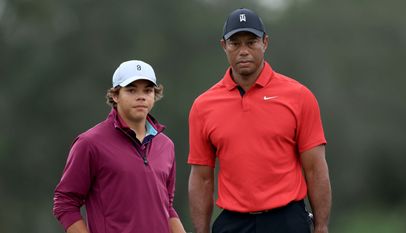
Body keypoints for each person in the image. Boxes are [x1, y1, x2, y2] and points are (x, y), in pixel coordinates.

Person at [188, 8, 331, 233]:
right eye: (235, 43)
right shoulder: (203, 106)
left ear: (265, 42)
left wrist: (321, 227)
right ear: (224, 46)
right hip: (233, 223)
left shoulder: (299, 96)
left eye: (251, 42)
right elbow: (201, 178)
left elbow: (315, 168)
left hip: (286, 220)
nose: (243, 51)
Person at [53, 60, 186, 233]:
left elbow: (166, 206)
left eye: (148, 90)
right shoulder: (90, 143)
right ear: (115, 95)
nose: (141, 96)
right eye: (131, 90)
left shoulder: (166, 145)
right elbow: (65, 203)